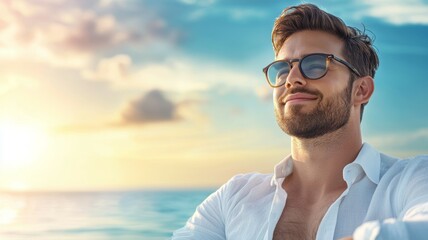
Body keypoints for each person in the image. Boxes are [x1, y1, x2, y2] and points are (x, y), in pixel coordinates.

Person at [171, 3, 428, 240]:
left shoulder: (410, 180)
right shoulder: (234, 198)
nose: (292, 78)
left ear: (360, 90)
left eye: (316, 64)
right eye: (282, 69)